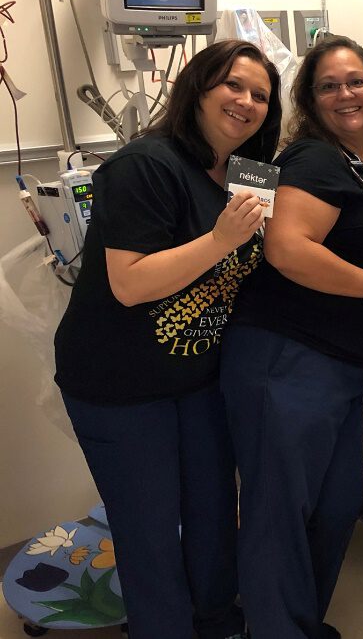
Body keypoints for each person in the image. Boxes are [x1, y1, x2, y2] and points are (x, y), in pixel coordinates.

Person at [53, 39, 282, 639]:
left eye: (261, 94)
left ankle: (216, 620)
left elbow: (252, 270)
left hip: (197, 378)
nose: (247, 101)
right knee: (149, 529)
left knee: (211, 515)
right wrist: (220, 241)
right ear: (199, 88)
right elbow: (128, 284)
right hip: (119, 385)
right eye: (234, 85)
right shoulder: (146, 165)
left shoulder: (249, 176)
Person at [221, 35, 363, 639]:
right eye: (329, 86)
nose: (347, 94)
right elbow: (287, 249)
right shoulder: (313, 159)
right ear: (310, 99)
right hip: (287, 358)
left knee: (337, 504)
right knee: (278, 514)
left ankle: (297, 621)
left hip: (339, 370)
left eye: (356, 81)